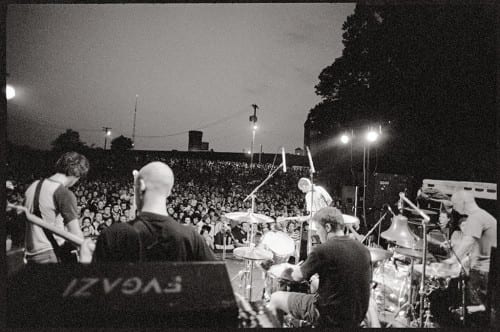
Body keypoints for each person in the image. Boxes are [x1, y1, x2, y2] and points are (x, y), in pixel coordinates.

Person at [82, 161, 216, 263]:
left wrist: (86, 263)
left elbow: (96, 294)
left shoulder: (113, 234)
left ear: (141, 186)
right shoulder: (191, 238)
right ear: (169, 191)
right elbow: (218, 287)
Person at [267, 207, 372, 327]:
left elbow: (297, 277)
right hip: (356, 315)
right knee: (314, 283)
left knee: (276, 298)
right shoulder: (363, 249)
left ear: (327, 227)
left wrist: (282, 269)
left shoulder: (323, 250)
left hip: (331, 316)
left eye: (318, 228)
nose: (317, 233)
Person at [23, 152, 89, 264]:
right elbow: (76, 235)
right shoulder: (63, 193)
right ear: (77, 173)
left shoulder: (33, 186)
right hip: (49, 254)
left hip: (29, 254)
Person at [443, 190, 497, 312]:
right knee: (482, 308)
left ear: (463, 203)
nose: (455, 210)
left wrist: (451, 261)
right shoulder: (483, 216)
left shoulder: (476, 217)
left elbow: (468, 242)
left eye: (455, 205)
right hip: (486, 269)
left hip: (483, 271)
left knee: (476, 310)